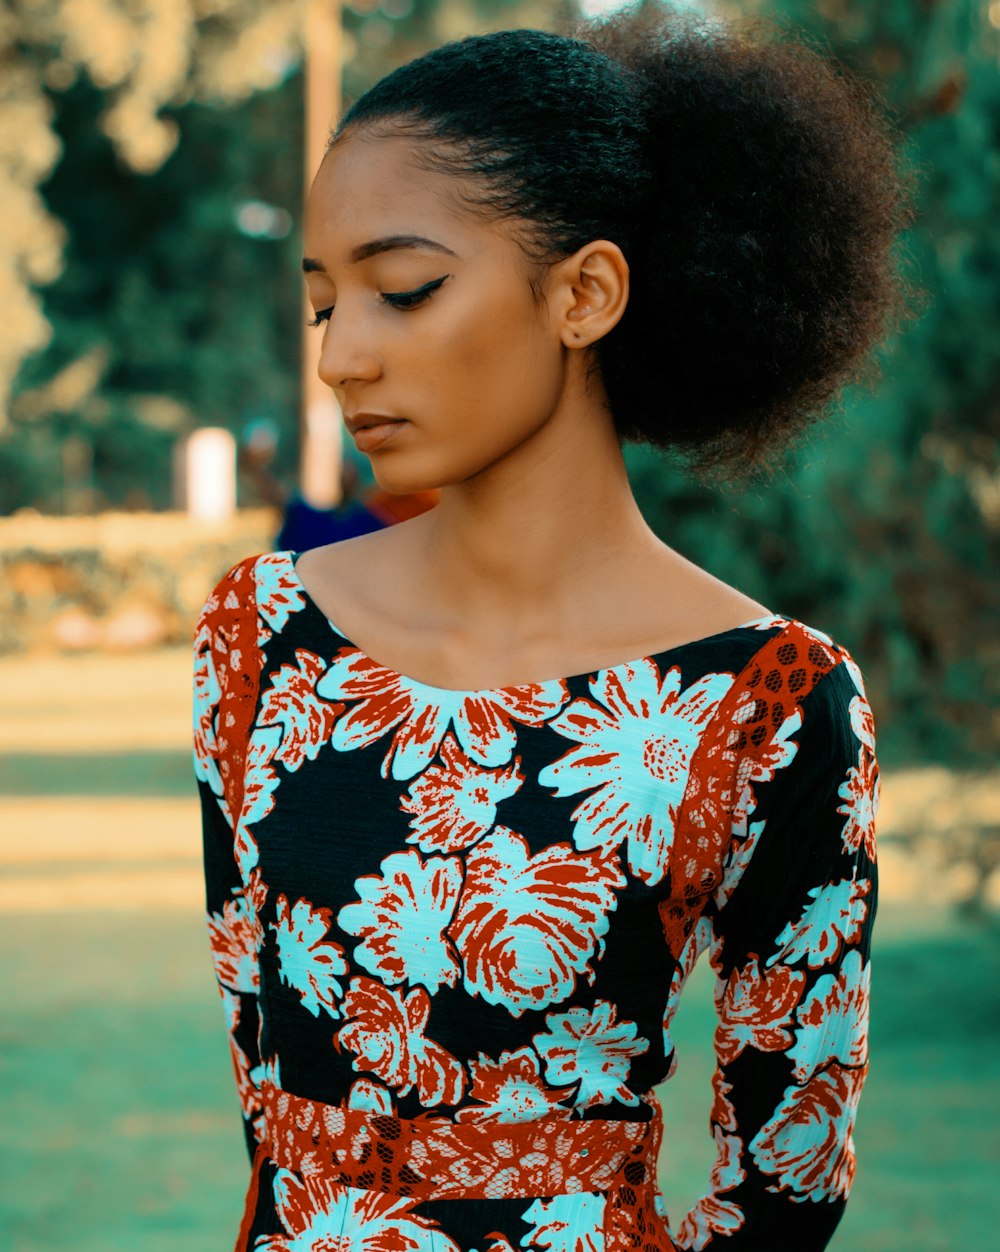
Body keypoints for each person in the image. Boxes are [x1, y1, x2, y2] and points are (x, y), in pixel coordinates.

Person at [193, 4, 912, 1248]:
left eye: (404, 291)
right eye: (324, 306)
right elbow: (268, 1104)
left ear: (584, 294)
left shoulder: (771, 705)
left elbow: (786, 1188)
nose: (343, 358)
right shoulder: (261, 639)